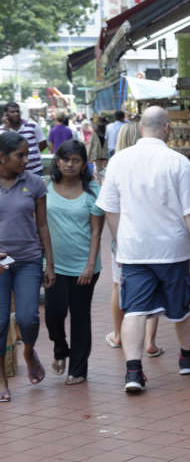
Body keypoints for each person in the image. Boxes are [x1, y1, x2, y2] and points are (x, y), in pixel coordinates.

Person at [97, 106, 190, 393]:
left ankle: (133, 372)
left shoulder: (119, 161)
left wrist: (121, 240)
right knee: (183, 306)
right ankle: (186, 359)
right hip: (173, 249)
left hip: (134, 250)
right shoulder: (177, 162)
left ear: (141, 126)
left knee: (133, 310)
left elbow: (110, 209)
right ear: (167, 128)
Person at [0, 132, 56, 401]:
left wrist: (50, 263)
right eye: (20, 155)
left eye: (26, 154)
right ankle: (2, 381)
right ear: (2, 157)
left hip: (29, 260)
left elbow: (42, 224)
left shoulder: (33, 183)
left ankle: (29, 351)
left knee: (28, 318)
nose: (26, 159)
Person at [44, 140, 103, 385]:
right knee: (53, 314)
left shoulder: (92, 190)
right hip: (54, 265)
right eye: (65, 159)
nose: (69, 164)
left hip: (84, 266)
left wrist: (90, 265)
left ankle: (78, 370)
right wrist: (46, 262)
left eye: (75, 160)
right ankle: (60, 348)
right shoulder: (45, 187)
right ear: (57, 161)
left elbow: (97, 232)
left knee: (80, 317)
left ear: (83, 164)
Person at [104, 118, 163, 358]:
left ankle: (118, 335)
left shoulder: (115, 165)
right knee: (155, 283)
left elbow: (109, 207)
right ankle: (150, 341)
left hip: (125, 235)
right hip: (153, 234)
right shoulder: (154, 162)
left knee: (119, 285)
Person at [1, 102, 47, 175]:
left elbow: (43, 144)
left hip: (35, 170)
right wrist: (7, 128)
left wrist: (31, 154)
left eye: (17, 111)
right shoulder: (2, 131)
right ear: (6, 114)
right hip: (15, 172)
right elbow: (4, 148)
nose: (16, 114)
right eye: (12, 112)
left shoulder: (32, 125)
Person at [87, 116, 108, 180]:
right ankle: (102, 182)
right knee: (104, 170)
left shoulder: (94, 133)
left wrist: (88, 156)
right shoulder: (106, 132)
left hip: (97, 155)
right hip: (105, 154)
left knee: (99, 170)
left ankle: (100, 183)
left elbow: (90, 145)